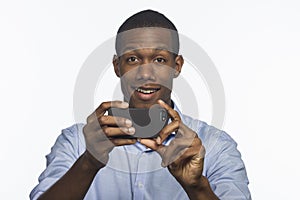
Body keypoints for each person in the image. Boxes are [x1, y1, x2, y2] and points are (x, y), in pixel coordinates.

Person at [30, 10, 251, 200]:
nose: (145, 74)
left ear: (177, 65)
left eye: (160, 60)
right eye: (132, 60)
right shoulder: (78, 141)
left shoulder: (215, 145)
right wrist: (88, 162)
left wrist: (196, 187)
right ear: (117, 67)